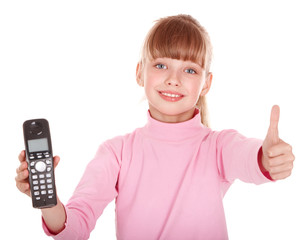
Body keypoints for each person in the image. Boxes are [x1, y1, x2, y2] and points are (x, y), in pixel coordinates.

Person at [15, 14, 295, 240]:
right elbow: (74, 230)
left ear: (206, 84)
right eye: (161, 65)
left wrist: (268, 158)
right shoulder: (117, 152)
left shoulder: (217, 146)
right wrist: (48, 201)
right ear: (140, 72)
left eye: (189, 70)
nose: (173, 79)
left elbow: (249, 157)